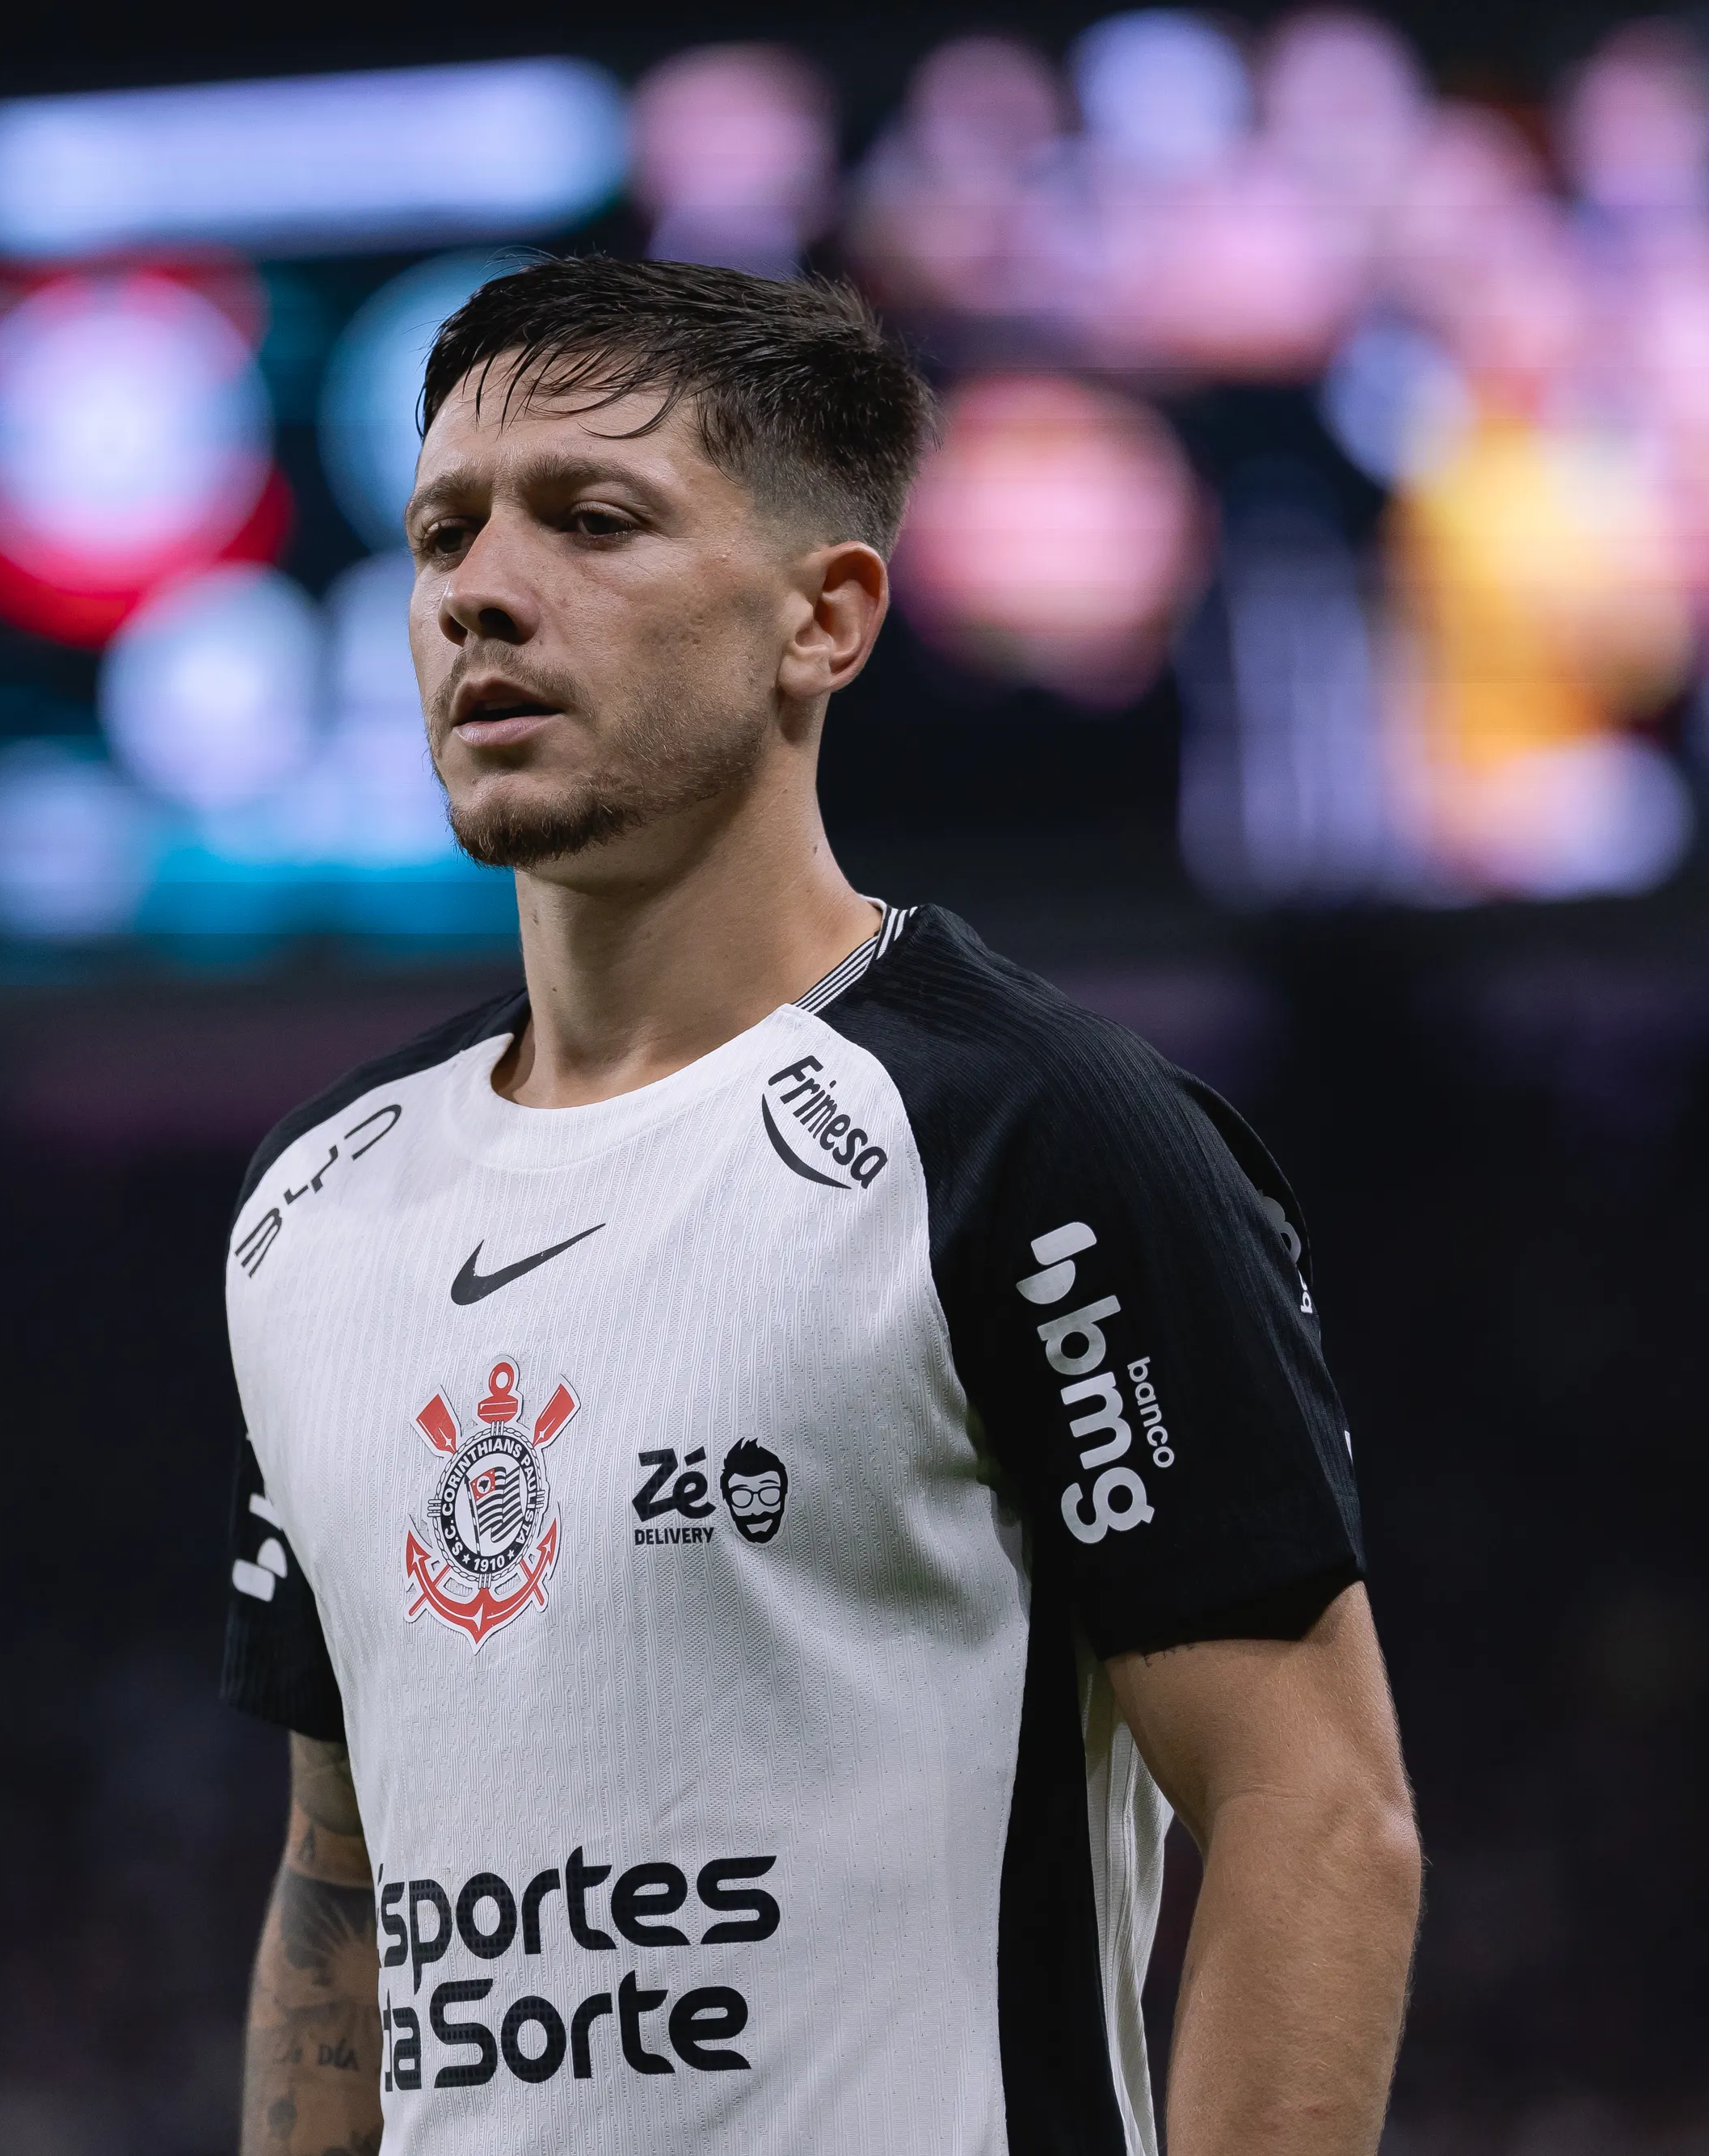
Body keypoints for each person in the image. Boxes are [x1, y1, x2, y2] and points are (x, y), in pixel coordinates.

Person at [219, 258, 1419, 2155]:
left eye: (592, 520)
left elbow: (1312, 1812)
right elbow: (339, 1875)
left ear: (824, 618)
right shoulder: (312, 1211)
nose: (479, 588)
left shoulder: (1034, 1134)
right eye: (444, 529)